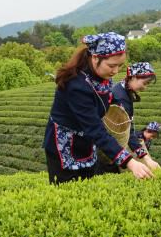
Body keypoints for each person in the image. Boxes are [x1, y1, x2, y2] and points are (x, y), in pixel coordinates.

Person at [43, 32, 153, 185]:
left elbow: (108, 97)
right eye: (111, 66)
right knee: (67, 190)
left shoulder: (102, 75)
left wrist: (118, 105)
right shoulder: (76, 85)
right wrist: (129, 162)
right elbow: (94, 129)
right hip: (64, 147)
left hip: (87, 143)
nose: (115, 71)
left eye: (120, 66)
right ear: (95, 58)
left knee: (89, 187)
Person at [98, 62, 161, 174]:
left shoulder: (123, 89)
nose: (145, 88)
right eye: (145, 83)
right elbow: (128, 131)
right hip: (107, 146)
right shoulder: (121, 97)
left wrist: (144, 156)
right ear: (133, 77)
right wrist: (146, 158)